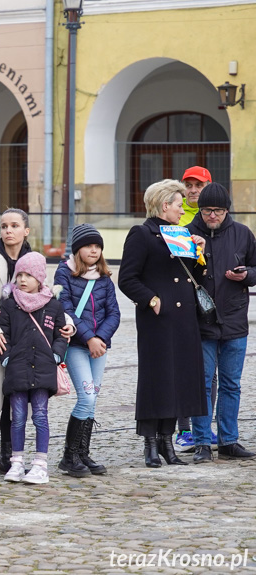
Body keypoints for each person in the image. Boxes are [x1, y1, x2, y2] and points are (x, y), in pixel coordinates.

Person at [0, 209, 75, 479]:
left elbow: (47, 299)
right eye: (4, 226)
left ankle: (9, 457)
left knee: (13, 401)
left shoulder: (34, 260)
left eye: (15, 225)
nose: (8, 231)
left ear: (26, 230)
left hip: (30, 343)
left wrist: (68, 324)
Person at [119, 179, 207, 468]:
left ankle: (168, 443)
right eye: (179, 205)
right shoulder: (141, 234)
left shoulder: (180, 233)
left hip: (184, 320)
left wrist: (199, 252)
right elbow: (127, 278)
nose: (182, 210)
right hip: (157, 321)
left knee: (178, 380)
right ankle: (150, 444)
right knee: (156, 380)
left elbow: (194, 277)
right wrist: (152, 300)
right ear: (164, 204)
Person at [185, 183, 256, 463]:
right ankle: (202, 441)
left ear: (227, 210)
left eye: (218, 210)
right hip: (200, 320)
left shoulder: (242, 234)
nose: (212, 216)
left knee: (231, 384)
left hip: (235, 319)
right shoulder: (187, 234)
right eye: (206, 210)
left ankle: (229, 440)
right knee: (201, 383)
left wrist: (246, 275)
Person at [54, 224, 121, 477]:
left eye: (97, 246)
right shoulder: (64, 274)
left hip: (99, 347)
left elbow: (114, 312)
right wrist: (89, 338)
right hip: (77, 346)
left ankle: (82, 453)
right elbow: (65, 309)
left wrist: (100, 338)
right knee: (87, 397)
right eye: (88, 246)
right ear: (77, 249)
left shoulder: (104, 277)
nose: (93, 250)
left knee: (92, 401)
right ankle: (68, 457)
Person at [0, 252, 67, 485]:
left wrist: (57, 354)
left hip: (44, 368)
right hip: (17, 368)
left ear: (39, 278)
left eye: (28, 275)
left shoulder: (53, 305)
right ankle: (16, 462)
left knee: (40, 416)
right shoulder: (9, 306)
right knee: (17, 417)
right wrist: (6, 357)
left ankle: (40, 464)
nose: (22, 279)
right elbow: (3, 335)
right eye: (19, 275)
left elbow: (61, 333)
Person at [175, 165, 213, 451]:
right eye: (189, 185)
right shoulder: (175, 217)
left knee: (209, 371)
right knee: (184, 368)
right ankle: (184, 430)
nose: (193, 190)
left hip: (209, 305)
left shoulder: (216, 215)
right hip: (182, 304)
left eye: (198, 185)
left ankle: (206, 427)